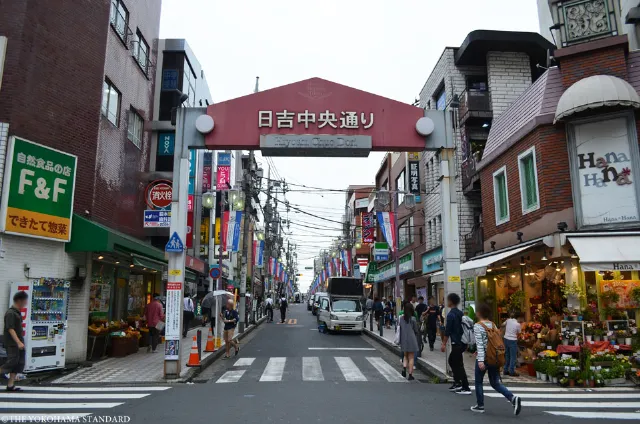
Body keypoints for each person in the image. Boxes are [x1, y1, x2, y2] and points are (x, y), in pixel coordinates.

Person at [471, 303, 522, 415]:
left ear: (479, 313)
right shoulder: (493, 325)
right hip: (495, 357)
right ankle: (512, 398)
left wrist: (480, 360)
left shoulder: (478, 325)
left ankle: (480, 405)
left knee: (478, 382)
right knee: (495, 383)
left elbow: (480, 343)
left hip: (484, 358)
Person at [441, 293, 471, 395]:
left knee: (456, 363)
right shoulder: (460, 313)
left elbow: (447, 330)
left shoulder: (451, 315)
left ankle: (465, 386)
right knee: (455, 361)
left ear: (450, 302)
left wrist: (444, 343)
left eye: (447, 300)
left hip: (456, 342)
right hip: (462, 341)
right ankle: (457, 382)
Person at [3, 291, 28, 391]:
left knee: (17, 364)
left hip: (18, 342)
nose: (26, 303)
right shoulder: (11, 313)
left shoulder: (17, 312)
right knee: (10, 364)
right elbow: (10, 328)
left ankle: (10, 385)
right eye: (25, 301)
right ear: (19, 300)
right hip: (13, 343)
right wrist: (18, 342)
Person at [398, 302, 420, 381]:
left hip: (404, 339)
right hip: (412, 339)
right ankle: (410, 374)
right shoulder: (413, 319)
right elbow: (416, 330)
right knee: (411, 357)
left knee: (405, 356)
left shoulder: (401, 318)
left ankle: (404, 368)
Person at [502, 312, 523, 376]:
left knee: (507, 355)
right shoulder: (518, 324)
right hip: (513, 340)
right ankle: (511, 371)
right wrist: (517, 338)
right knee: (513, 356)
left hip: (506, 339)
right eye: (522, 318)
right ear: (519, 318)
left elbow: (502, 324)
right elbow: (519, 334)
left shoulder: (508, 320)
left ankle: (505, 370)